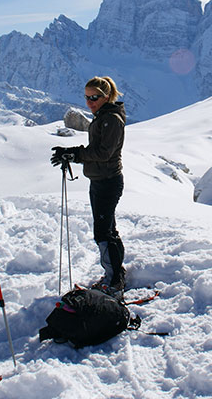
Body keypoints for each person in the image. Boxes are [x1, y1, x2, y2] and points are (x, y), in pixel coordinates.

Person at [51, 76, 127, 298]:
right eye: (86, 97)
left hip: (107, 181)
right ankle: (116, 274)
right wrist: (74, 152)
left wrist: (76, 154)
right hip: (101, 179)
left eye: (94, 97)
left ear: (106, 96)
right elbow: (99, 149)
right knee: (108, 230)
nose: (90, 102)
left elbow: (104, 153)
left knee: (103, 232)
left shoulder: (111, 119)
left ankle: (114, 282)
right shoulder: (104, 116)